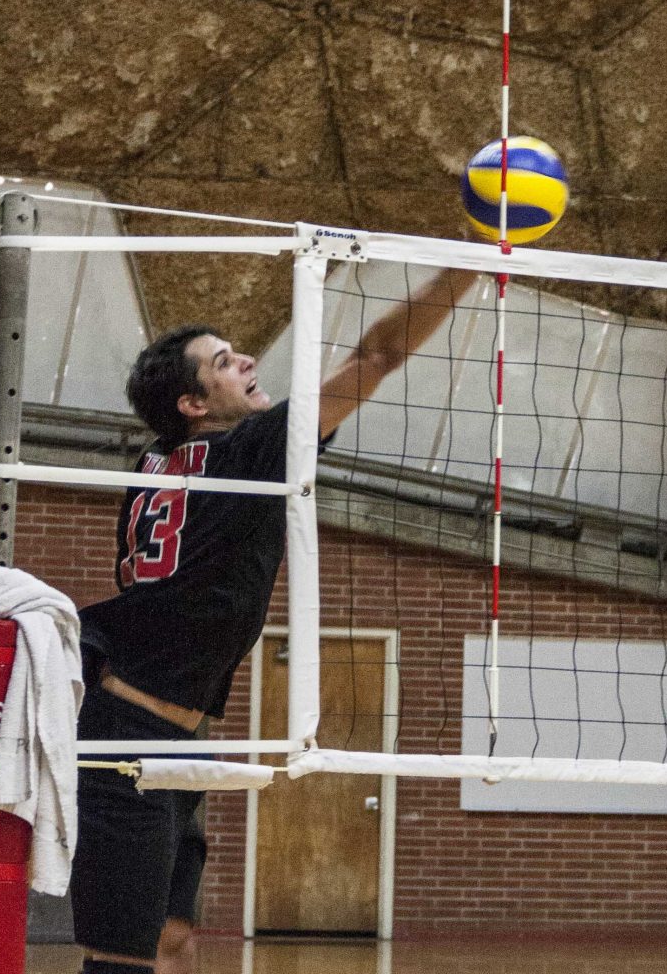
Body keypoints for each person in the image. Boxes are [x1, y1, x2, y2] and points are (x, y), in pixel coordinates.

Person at [71, 265, 478, 974]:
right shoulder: (248, 452)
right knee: (122, 960)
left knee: (173, 939)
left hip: (176, 736)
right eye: (224, 362)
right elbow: (375, 357)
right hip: (126, 738)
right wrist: (467, 265)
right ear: (194, 403)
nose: (248, 361)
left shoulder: (155, 462)